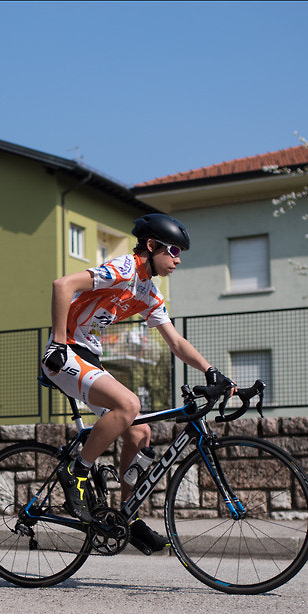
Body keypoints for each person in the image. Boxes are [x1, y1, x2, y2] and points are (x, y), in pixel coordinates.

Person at [40, 213, 233, 553]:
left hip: (90, 355)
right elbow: (61, 285)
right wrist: (57, 342)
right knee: (129, 404)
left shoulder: (147, 292)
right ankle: (76, 472)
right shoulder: (124, 269)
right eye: (173, 250)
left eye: (180, 254)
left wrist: (210, 371)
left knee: (139, 432)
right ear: (151, 245)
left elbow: (175, 342)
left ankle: (125, 516)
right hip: (65, 352)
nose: (177, 259)